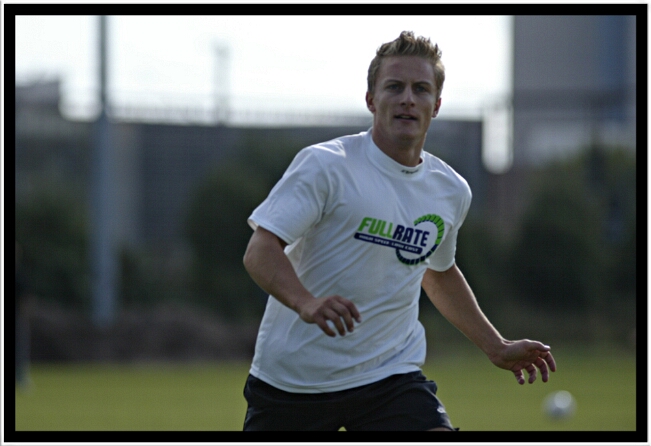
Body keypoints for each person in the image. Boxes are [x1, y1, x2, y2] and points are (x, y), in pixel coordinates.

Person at [241, 31, 556, 431]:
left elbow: (438, 272)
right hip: (294, 382)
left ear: (436, 105)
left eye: (421, 89)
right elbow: (260, 249)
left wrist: (496, 345)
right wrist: (307, 303)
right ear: (371, 99)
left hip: (389, 378)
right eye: (394, 87)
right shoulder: (325, 165)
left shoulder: (451, 190)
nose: (408, 98)